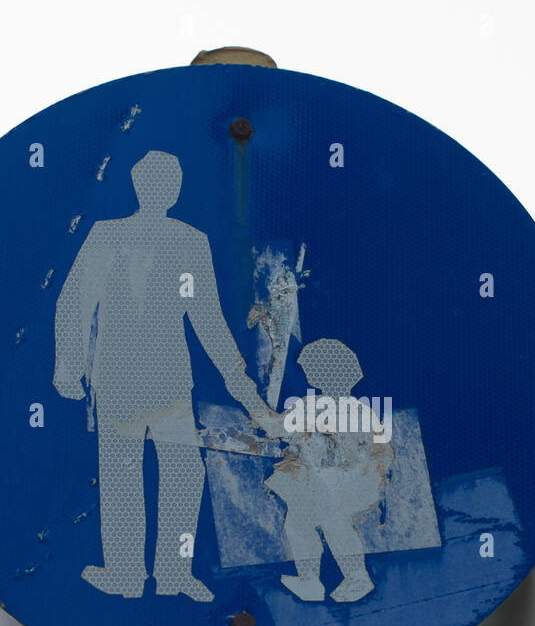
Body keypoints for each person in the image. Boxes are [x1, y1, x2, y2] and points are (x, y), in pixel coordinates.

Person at [53, 150, 277, 601]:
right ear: (139, 186)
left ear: (176, 191)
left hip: (170, 381)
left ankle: (173, 574)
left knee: (182, 477)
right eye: (154, 181)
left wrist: (246, 394)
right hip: (115, 380)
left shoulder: (190, 242)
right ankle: (125, 574)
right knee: (121, 477)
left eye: (169, 181)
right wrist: (68, 367)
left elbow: (209, 321)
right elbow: (73, 301)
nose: (162, 189)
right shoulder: (105, 236)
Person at [266, 339, 392, 603]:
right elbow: (280, 429)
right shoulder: (354, 409)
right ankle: (311, 580)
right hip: (324, 484)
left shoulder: (338, 409)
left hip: (343, 486)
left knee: (333, 524)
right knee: (299, 523)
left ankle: (356, 578)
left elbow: (380, 451)